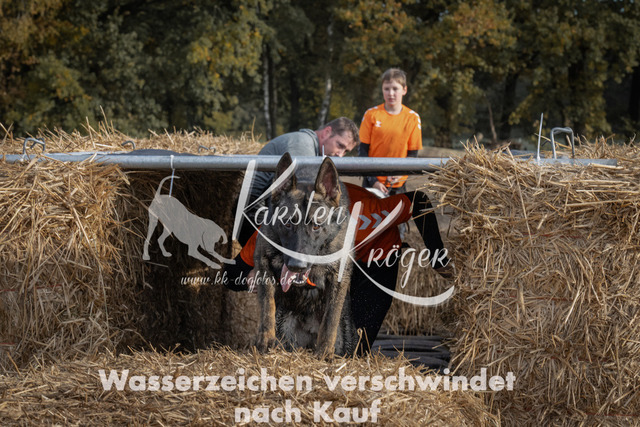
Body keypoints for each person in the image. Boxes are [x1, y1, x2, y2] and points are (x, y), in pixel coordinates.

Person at [236, 117, 359, 246]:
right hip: (253, 207)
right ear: (327, 132)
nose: (340, 154)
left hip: (261, 205)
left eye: (346, 151)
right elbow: (298, 197)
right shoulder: (302, 145)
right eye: (340, 145)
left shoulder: (311, 148)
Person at [359, 68, 422, 196]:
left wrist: (400, 173)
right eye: (386, 89)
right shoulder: (371, 114)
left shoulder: (413, 118)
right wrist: (374, 181)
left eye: (395, 88)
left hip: (398, 185)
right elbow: (362, 152)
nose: (391, 93)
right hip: (372, 184)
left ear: (404, 90)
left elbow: (412, 155)